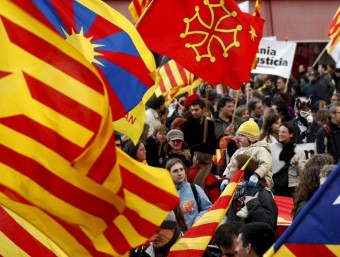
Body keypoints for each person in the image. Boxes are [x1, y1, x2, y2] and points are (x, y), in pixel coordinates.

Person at [224, 154, 278, 231]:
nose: (228, 167)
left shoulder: (262, 194)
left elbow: (269, 225)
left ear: (241, 174)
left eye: (233, 166)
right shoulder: (232, 192)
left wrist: (252, 204)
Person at [166, 158, 212, 228]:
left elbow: (209, 208)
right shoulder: (165, 193)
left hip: (193, 234)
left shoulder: (195, 189)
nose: (179, 173)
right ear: (168, 174)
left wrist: (199, 217)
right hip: (174, 236)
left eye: (181, 169)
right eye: (175, 171)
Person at [271, 123, 306, 197]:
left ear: (291, 134)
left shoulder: (298, 150)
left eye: (283, 132)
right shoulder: (272, 147)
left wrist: (297, 164)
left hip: (292, 186)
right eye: (279, 131)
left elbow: (303, 171)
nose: (280, 134)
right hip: (275, 185)